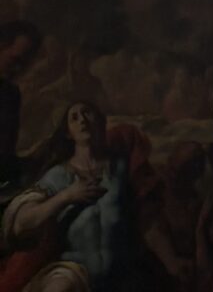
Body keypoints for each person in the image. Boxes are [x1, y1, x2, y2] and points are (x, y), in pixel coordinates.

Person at [0, 100, 137, 288]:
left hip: (116, 275)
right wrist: (67, 196)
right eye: (74, 118)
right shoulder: (60, 175)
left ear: (99, 121)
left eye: (87, 113)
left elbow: (147, 217)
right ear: (68, 133)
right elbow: (21, 222)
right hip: (72, 272)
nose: (82, 120)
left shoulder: (119, 168)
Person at [0, 30, 42, 187]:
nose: (18, 69)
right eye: (14, 60)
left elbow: (7, 145)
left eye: (23, 64)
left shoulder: (10, 92)